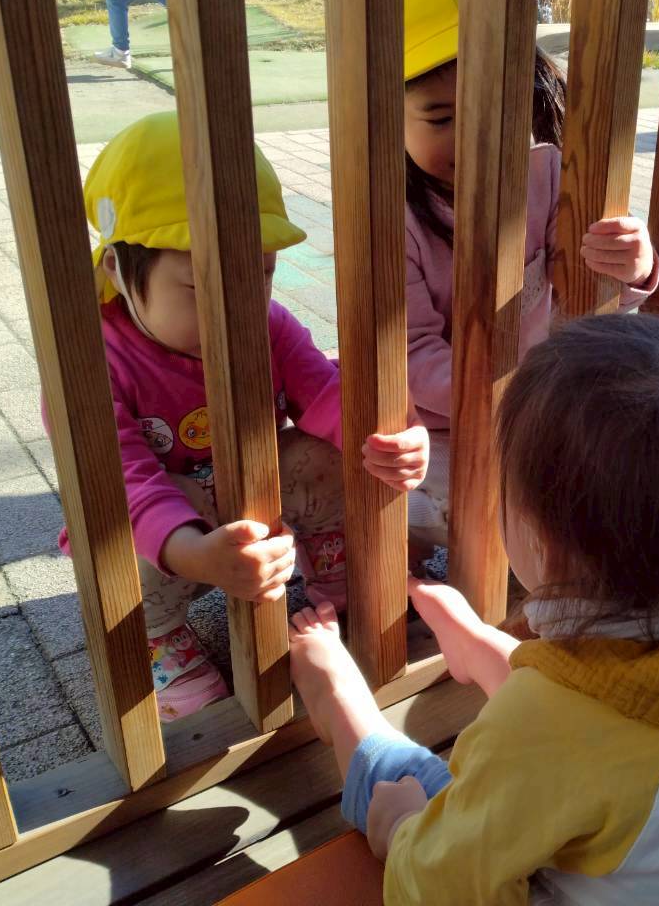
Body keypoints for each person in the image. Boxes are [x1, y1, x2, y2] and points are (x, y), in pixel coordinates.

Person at [290, 313, 659, 904]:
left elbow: (435, 889)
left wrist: (403, 822)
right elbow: (609, 716)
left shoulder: (536, 730)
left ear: (540, 541)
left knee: (410, 783)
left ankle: (337, 697)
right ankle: (480, 650)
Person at [50, 111, 429, 722]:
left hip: (253, 498)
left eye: (262, 273)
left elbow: (327, 395)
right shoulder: (91, 364)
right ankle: (159, 639)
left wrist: (394, 440)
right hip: (164, 527)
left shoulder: (269, 327)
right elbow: (124, 482)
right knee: (109, 533)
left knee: (323, 452)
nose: (240, 307)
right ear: (117, 267)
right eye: (201, 287)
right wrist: (194, 554)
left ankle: (336, 570)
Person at [401, 0, 659, 552]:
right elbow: (409, 351)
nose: (472, 137)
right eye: (440, 119)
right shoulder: (398, 219)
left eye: (492, 106)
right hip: (444, 428)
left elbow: (592, 302)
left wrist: (632, 267)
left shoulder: (547, 175)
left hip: (548, 406)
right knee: (457, 508)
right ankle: (422, 570)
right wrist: (510, 396)